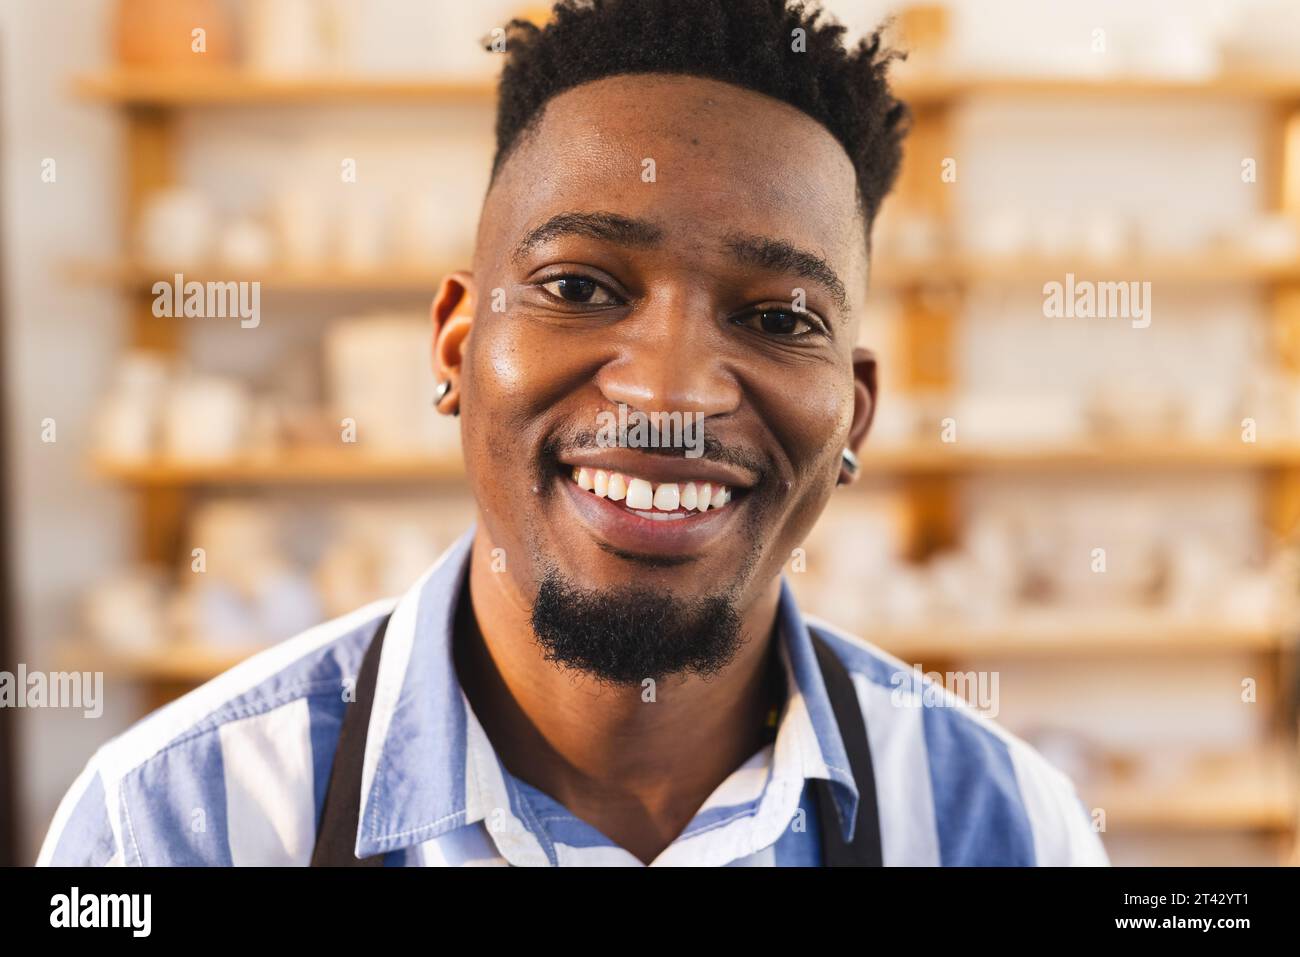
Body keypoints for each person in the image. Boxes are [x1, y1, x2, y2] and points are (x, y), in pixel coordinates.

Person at [40, 0, 1107, 867]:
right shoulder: (169, 828)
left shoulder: (1007, 830)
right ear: (456, 346)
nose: (669, 391)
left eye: (777, 318)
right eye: (581, 286)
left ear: (853, 414)